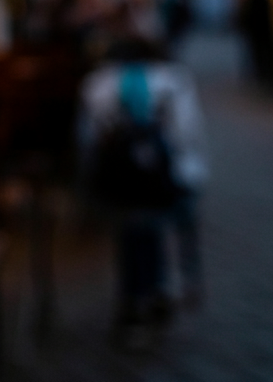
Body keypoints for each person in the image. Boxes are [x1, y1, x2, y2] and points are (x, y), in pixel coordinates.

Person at [79, 37, 208, 343]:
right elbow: (188, 133)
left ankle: (132, 301)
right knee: (153, 231)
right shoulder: (174, 82)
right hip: (164, 177)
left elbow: (87, 138)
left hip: (120, 179)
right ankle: (157, 291)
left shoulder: (96, 85)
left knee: (129, 236)